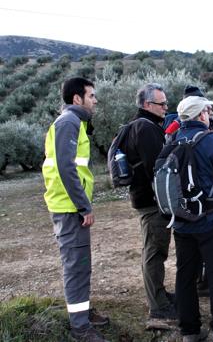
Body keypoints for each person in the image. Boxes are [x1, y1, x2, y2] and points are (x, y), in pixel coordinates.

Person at [158, 95, 213, 342]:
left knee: (185, 276)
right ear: (200, 115)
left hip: (182, 220)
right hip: (212, 219)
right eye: (208, 110)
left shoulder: (171, 140)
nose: (210, 115)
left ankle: (190, 331)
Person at [42, 77, 109, 341]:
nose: (95, 100)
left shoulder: (74, 123)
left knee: (80, 264)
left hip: (69, 206)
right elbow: (66, 168)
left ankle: (82, 312)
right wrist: (84, 207)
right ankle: (80, 327)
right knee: (77, 266)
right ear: (77, 99)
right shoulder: (69, 122)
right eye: (91, 95)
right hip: (70, 208)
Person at [120, 83, 177, 330]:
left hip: (147, 200)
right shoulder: (146, 128)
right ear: (146, 105)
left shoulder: (142, 125)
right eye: (161, 104)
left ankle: (160, 296)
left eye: (166, 103)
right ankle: (158, 307)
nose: (166, 107)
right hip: (152, 202)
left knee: (155, 250)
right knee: (154, 252)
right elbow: (158, 168)